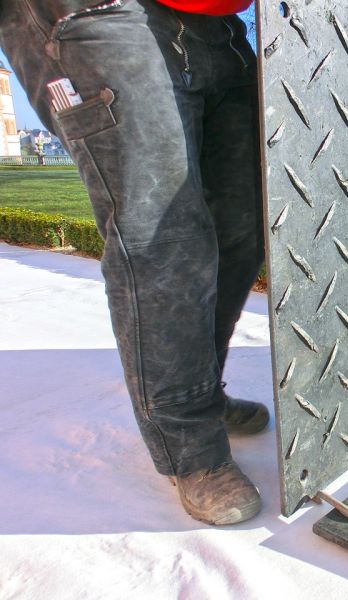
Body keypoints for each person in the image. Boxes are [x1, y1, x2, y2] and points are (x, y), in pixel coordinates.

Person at [0, 0, 267, 525]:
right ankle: (190, 440)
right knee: (165, 239)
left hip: (221, 27)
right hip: (96, 14)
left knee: (244, 228)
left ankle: (200, 394)